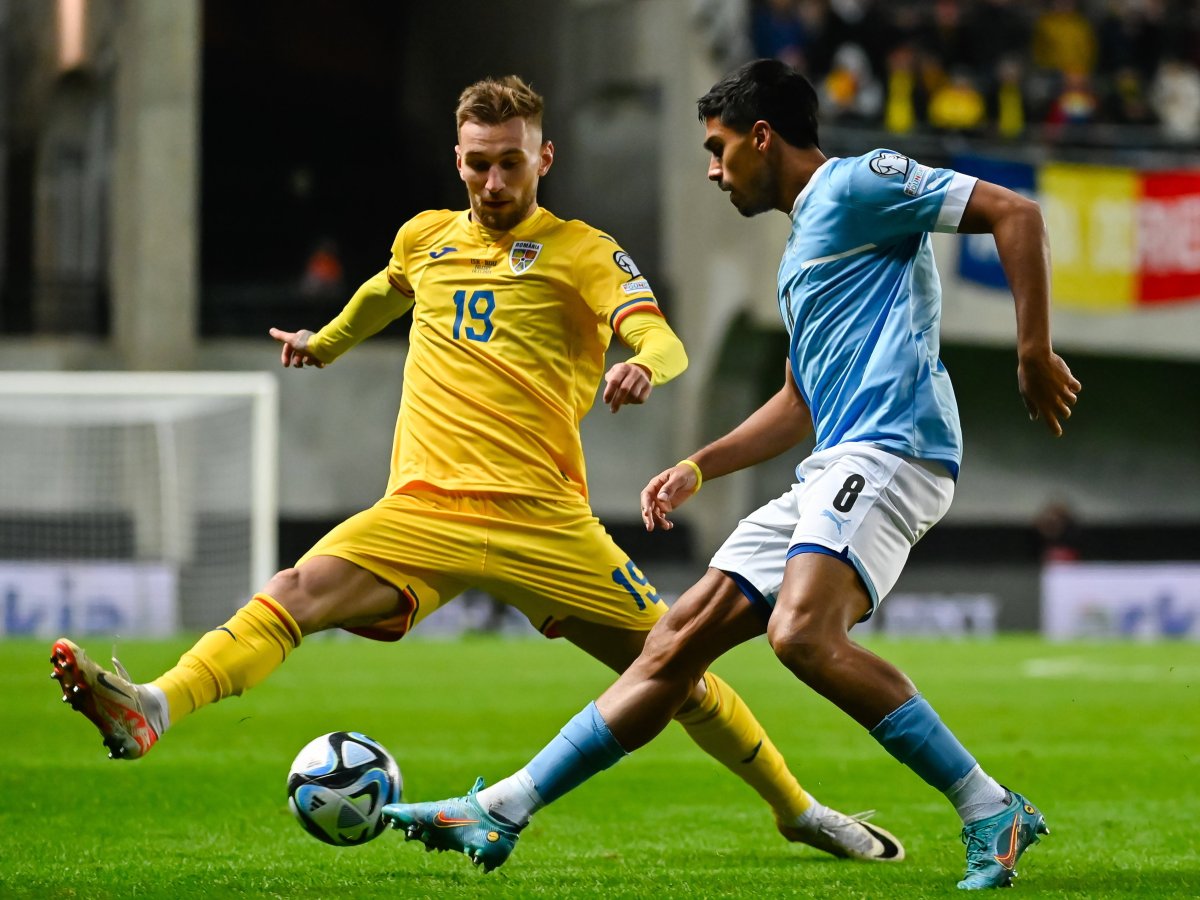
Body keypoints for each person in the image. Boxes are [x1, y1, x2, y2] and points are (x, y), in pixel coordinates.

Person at [49, 74, 903, 865]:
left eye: (511, 165)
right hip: (422, 508)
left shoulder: (583, 251)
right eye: (479, 166)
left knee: (677, 671)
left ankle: (798, 810)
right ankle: (153, 706)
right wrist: (327, 342)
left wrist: (644, 363)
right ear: (457, 160)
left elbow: (662, 334)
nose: (494, 185)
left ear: (545, 157)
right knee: (292, 594)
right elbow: (388, 289)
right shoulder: (424, 236)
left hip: (545, 521)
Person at [383, 59, 1082, 890]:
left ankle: (988, 806)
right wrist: (698, 466)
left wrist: (1032, 349)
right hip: (833, 460)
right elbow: (797, 400)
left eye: (718, 150)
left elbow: (1016, 211)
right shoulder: (800, 256)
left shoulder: (862, 184)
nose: (712, 171)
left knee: (801, 636)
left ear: (761, 137)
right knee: (671, 646)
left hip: (895, 450)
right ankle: (500, 810)